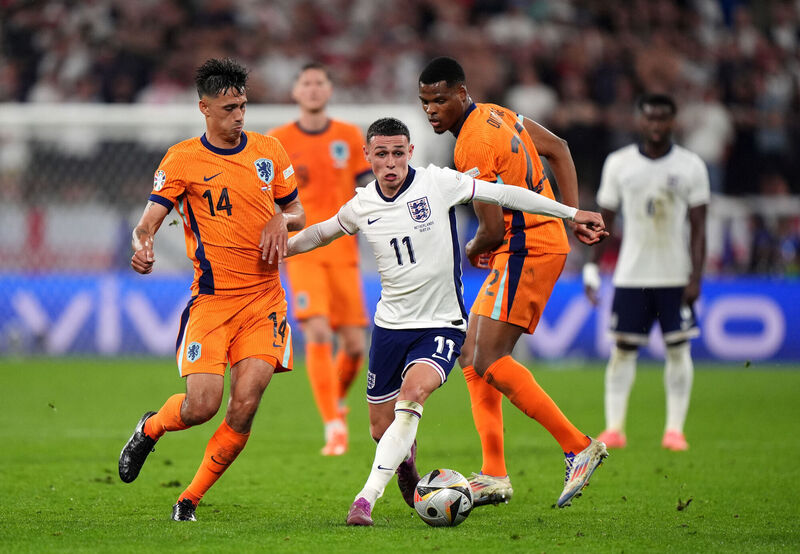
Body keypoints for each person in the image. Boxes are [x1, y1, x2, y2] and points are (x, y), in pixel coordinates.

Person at [286, 117, 607, 525]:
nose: (390, 163)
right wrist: (280, 249)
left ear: (410, 153)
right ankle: (408, 474)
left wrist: (570, 212)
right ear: (367, 156)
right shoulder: (361, 204)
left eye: (398, 153)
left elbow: (507, 193)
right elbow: (319, 235)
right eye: (381, 154)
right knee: (380, 428)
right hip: (388, 328)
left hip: (440, 325)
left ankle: (365, 499)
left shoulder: (437, 184)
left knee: (412, 396)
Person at [118, 58, 305, 521]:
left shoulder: (270, 151)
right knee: (202, 406)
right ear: (204, 108)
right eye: (228, 108)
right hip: (213, 300)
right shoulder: (182, 158)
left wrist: (282, 218)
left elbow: (299, 211)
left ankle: (189, 499)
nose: (239, 115)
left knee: (244, 406)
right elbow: (146, 225)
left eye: (242, 105)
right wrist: (142, 248)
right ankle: (151, 427)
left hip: (265, 300)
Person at [418, 56, 608, 507]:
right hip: (531, 243)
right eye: (425, 101)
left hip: (528, 248)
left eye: (440, 100)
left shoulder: (471, 146)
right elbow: (559, 147)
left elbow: (492, 228)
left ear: (462, 94)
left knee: (488, 356)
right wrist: (573, 212)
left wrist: (468, 249)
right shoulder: (499, 114)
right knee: (471, 354)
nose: (431, 110)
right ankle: (494, 474)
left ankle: (578, 445)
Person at [583, 93, 709, 451]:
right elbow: (603, 222)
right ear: (641, 120)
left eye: (663, 119)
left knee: (678, 350)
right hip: (632, 274)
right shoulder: (619, 164)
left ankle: (674, 430)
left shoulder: (690, 166)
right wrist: (592, 268)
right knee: (622, 350)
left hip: (674, 274)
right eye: (650, 119)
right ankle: (615, 428)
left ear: (673, 121)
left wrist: (696, 276)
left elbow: (700, 227)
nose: (656, 125)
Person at [268, 62, 372, 456]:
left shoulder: (349, 136)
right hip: (302, 252)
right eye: (306, 83)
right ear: (295, 91)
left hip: (344, 252)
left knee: (355, 346)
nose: (312, 89)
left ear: (329, 90)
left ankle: (336, 403)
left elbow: (367, 187)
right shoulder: (278, 141)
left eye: (319, 83)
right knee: (316, 333)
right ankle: (333, 426)